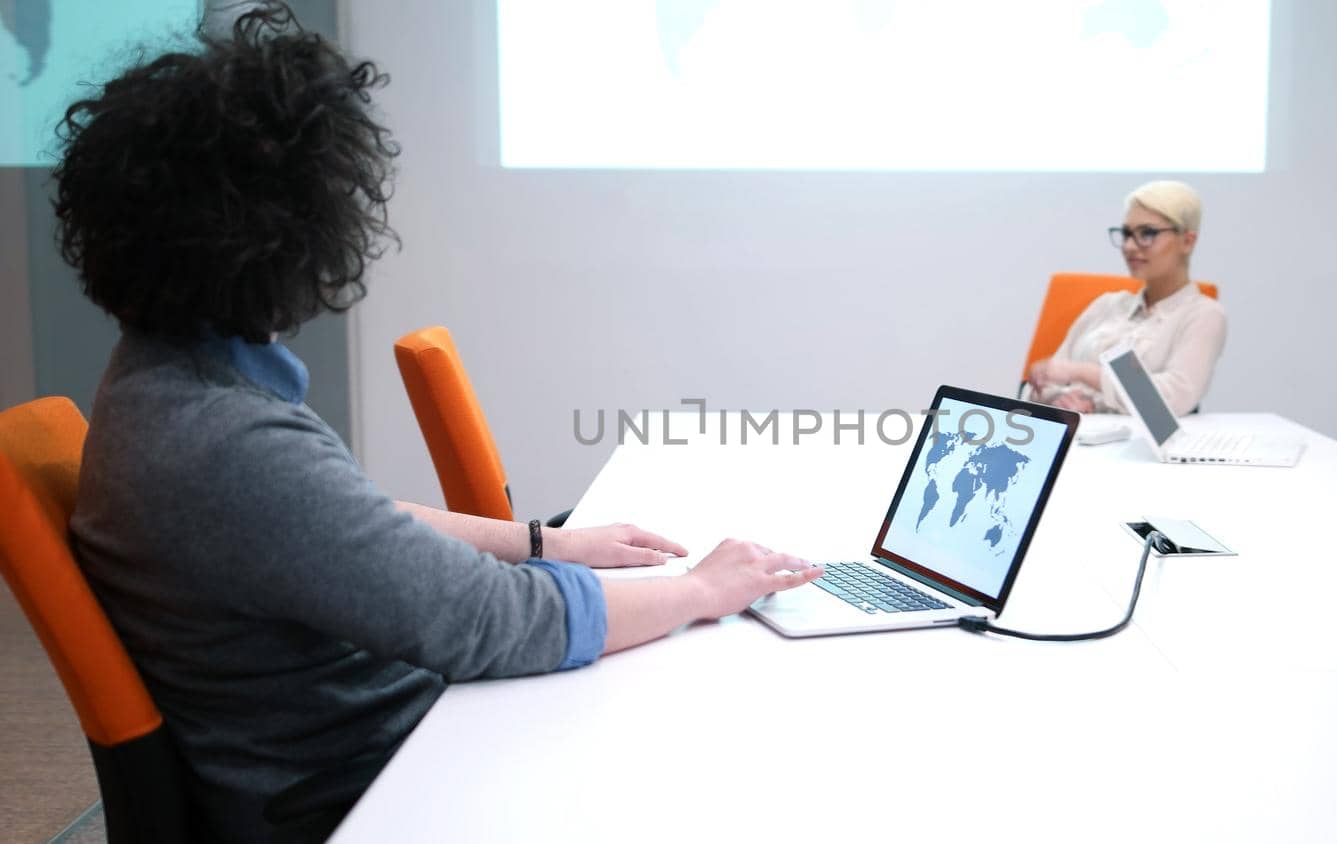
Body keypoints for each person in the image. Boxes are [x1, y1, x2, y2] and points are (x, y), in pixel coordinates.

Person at [54, 6, 822, 841]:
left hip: (392, 737)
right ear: (296, 232)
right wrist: (702, 591)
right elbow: (493, 622)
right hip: (376, 785)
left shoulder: (163, 381)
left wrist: (544, 542)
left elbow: (352, 523)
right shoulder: (224, 447)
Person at [1026, 180, 1227, 416]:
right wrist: (1059, 398)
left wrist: (1082, 373)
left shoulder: (1203, 314)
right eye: (1127, 234)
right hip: (1075, 436)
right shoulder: (1106, 305)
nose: (1130, 246)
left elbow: (1170, 400)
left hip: (1133, 447)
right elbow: (1045, 380)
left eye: (1147, 233)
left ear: (1187, 241)